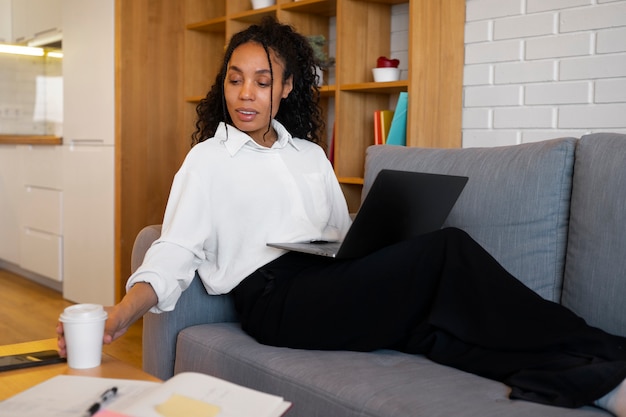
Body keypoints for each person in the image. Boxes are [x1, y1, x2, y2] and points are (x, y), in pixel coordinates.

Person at [57, 17, 626, 415]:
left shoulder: (308, 155)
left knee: (431, 327)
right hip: (274, 298)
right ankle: (607, 345)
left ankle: (593, 380)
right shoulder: (207, 160)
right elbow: (175, 249)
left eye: (263, 80)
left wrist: (379, 246)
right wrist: (122, 312)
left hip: (325, 277)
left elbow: (339, 234)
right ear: (223, 85)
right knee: (446, 249)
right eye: (235, 79)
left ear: (284, 91)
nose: (246, 94)